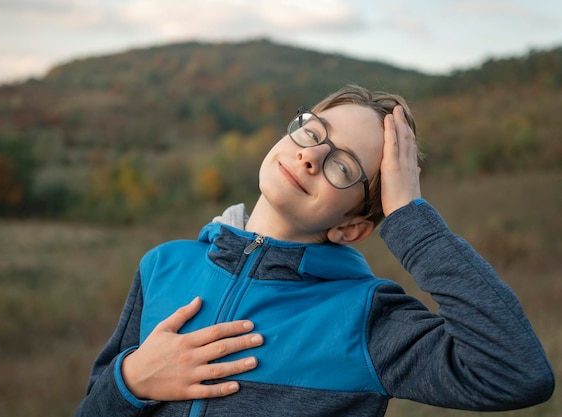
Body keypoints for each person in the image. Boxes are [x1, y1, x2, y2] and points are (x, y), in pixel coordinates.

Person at [74, 84, 554, 417]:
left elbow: (515, 373)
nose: (312, 155)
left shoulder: (367, 320)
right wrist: (129, 382)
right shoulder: (164, 265)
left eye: (343, 166)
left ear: (352, 227)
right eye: (312, 131)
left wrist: (409, 215)